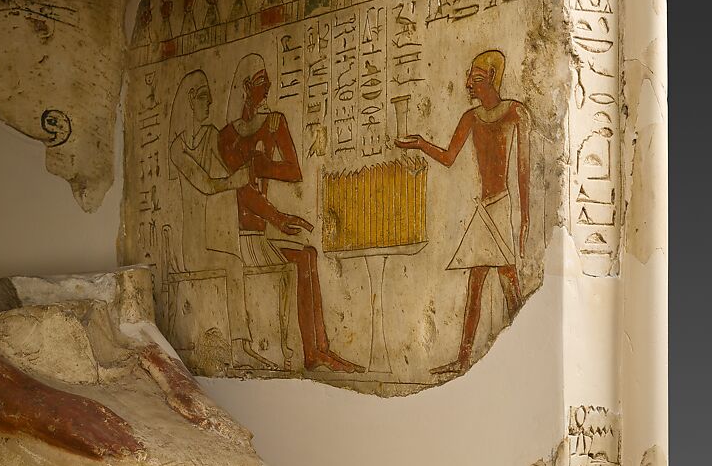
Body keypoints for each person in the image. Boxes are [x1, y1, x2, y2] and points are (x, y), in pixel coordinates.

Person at [218, 53, 364, 374]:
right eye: (260, 82)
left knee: (308, 255)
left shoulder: (274, 123)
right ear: (245, 87)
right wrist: (280, 218)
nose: (267, 87)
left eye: (266, 81)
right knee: (302, 259)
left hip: (264, 228)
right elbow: (242, 192)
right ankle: (313, 351)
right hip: (238, 236)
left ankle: (318, 351)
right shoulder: (227, 136)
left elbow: (294, 171)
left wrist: (261, 163)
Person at [396, 49, 530, 374]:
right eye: (470, 76)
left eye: (477, 78)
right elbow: (448, 156)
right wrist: (420, 144)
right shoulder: (471, 118)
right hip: (484, 207)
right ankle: (464, 358)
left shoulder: (515, 112)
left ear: (492, 79)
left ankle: (523, 352)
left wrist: (525, 218)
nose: (469, 83)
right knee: (477, 284)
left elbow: (523, 170)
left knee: (508, 280)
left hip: (501, 204)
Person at [168, 69, 274, 370]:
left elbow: (228, 171)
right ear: (190, 100)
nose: (209, 103)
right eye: (203, 97)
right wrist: (237, 179)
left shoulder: (211, 136)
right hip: (194, 246)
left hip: (216, 235)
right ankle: (240, 347)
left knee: (238, 260)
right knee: (233, 264)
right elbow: (207, 183)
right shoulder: (179, 149)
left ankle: (242, 346)